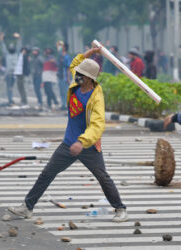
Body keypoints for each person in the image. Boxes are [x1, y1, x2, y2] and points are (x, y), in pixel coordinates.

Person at [8, 46, 128, 223]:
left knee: (102, 177)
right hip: (68, 142)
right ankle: (27, 207)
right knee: (47, 173)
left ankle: (120, 209)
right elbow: (75, 63)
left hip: (87, 145)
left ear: (89, 78)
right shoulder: (77, 83)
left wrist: (82, 141)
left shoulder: (96, 97)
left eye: (80, 73)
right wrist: (90, 53)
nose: (75, 73)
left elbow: (97, 125)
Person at [0, 32, 21, 106]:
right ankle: (10, 99)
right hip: (8, 74)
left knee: (11, 87)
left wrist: (18, 38)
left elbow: (19, 47)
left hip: (14, 74)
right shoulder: (7, 54)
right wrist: (2, 39)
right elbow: (3, 47)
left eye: (12, 47)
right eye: (10, 47)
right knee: (9, 87)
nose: (11, 48)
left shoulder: (17, 54)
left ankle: (10, 99)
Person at [56, 41, 71, 111]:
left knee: (65, 92)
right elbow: (58, 47)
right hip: (60, 75)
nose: (61, 47)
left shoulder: (67, 57)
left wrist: (68, 78)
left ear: (64, 47)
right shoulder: (60, 55)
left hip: (65, 76)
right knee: (61, 91)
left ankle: (66, 104)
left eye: (62, 46)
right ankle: (63, 104)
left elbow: (68, 68)